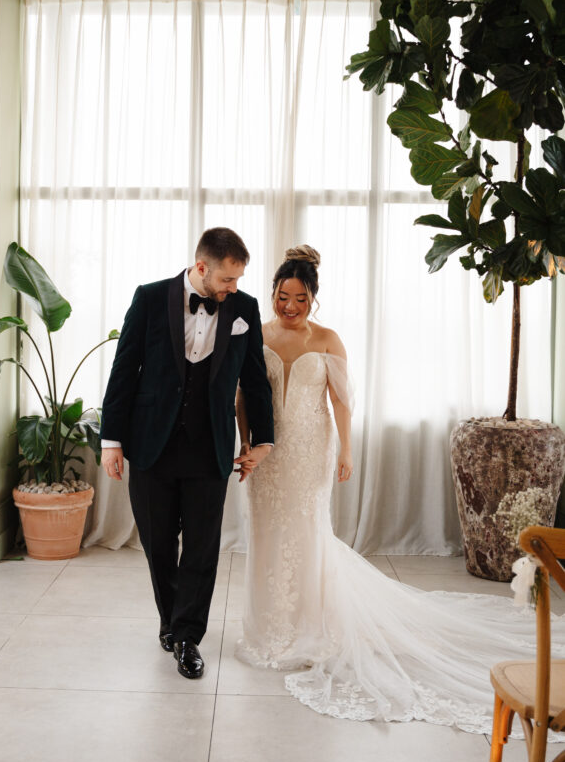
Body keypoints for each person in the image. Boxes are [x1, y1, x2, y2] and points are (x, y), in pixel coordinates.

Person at [235, 245, 565, 734]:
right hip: (267, 453)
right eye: (282, 297)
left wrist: (346, 451)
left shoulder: (328, 340)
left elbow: (341, 404)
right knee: (268, 532)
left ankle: (307, 627)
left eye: (299, 299)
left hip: (310, 451)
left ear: (314, 298)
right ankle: (270, 626)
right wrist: (247, 444)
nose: (289, 307)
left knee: (305, 531)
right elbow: (244, 396)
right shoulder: (256, 336)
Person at [100, 227, 273, 680]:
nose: (233, 289)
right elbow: (123, 369)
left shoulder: (245, 309)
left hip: (210, 446)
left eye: (237, 280)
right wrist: (111, 441)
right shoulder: (151, 298)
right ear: (201, 267)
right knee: (158, 544)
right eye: (227, 280)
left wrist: (264, 440)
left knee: (201, 547)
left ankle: (187, 636)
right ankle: (171, 619)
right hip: (152, 443)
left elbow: (254, 379)